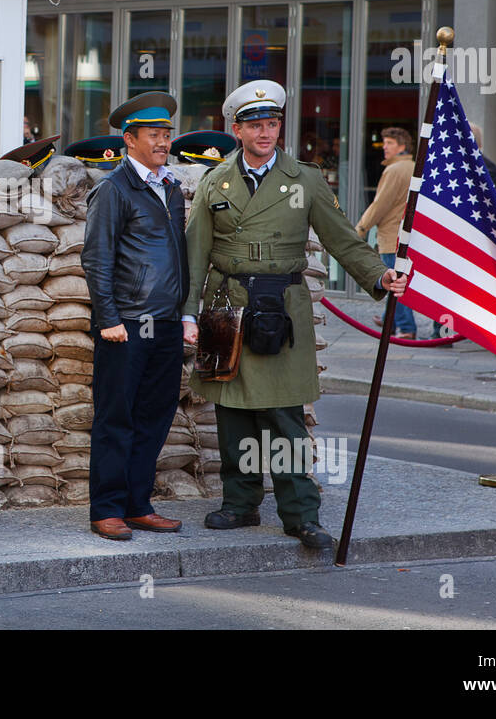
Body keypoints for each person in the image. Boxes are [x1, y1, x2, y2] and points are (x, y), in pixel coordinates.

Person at [182, 80, 406, 550]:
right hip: (226, 305)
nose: (266, 133)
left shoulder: (304, 179)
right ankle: (239, 503)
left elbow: (341, 238)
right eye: (256, 125)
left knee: (283, 414)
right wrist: (188, 314)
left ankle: (300, 514)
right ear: (237, 130)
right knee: (232, 412)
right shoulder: (214, 182)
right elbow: (195, 255)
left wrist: (378, 276)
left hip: (279, 307)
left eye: (273, 124)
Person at [81, 91, 188, 541]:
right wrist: (108, 317)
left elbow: (179, 256)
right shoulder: (113, 189)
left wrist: (185, 315)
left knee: (155, 415)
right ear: (130, 138)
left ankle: (137, 503)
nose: (163, 142)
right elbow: (96, 258)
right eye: (154, 134)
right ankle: (106, 508)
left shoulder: (171, 188)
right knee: (116, 417)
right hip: (126, 323)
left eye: (166, 134)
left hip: (165, 322)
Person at [354, 127, 416, 338]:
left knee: (393, 281)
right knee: (396, 279)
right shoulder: (414, 167)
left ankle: (406, 328)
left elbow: (380, 204)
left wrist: (361, 227)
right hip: (407, 234)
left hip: (392, 235)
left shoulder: (394, 170)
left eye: (389, 143)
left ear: (402, 146)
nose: (385, 148)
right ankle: (389, 321)